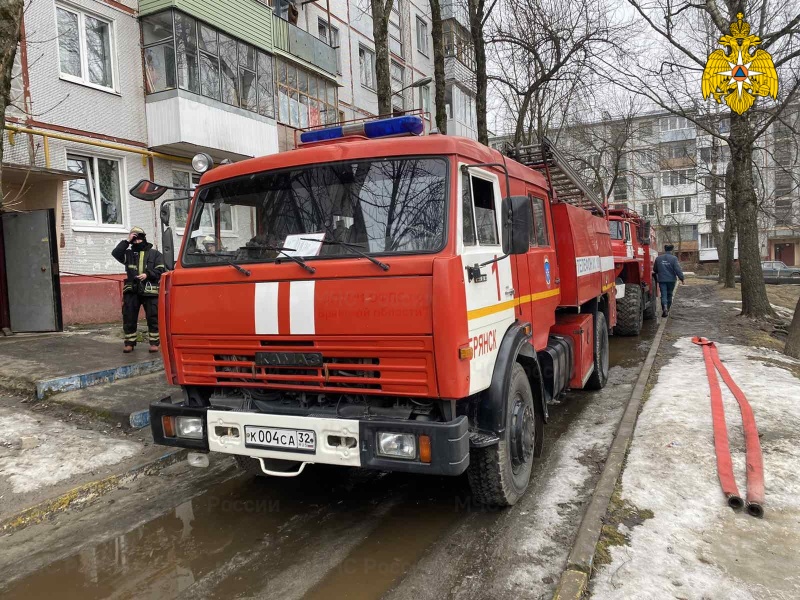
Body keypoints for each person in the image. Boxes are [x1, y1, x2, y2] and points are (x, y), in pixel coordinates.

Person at [111, 227, 167, 353]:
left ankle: (154, 343)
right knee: (129, 316)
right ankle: (129, 343)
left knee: (153, 317)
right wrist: (127, 241)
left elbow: (161, 270)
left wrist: (147, 274)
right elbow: (116, 253)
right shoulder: (128, 254)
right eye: (135, 240)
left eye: (139, 239)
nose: (137, 242)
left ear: (144, 239)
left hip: (150, 291)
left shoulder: (155, 254)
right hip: (132, 291)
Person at [653, 244, 685, 317]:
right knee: (669, 294)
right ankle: (667, 309)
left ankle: (664, 309)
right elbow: (678, 269)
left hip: (662, 280)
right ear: (671, 250)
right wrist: (682, 278)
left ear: (665, 249)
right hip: (671, 280)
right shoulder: (674, 258)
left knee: (663, 295)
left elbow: (655, 269)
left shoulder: (658, 258)